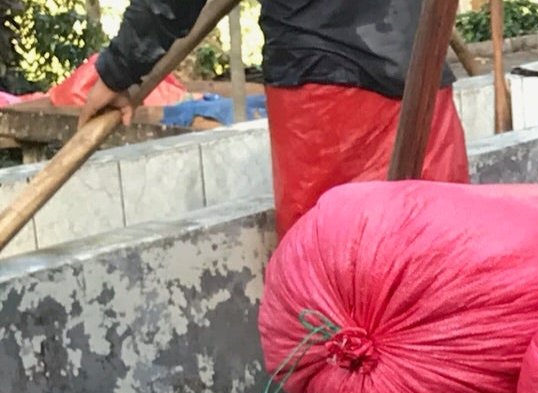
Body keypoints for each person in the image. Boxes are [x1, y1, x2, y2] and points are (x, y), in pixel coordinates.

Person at [80, 0, 471, 238]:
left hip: (326, 98)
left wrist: (118, 69)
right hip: (420, 77)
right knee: (434, 267)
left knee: (331, 292)